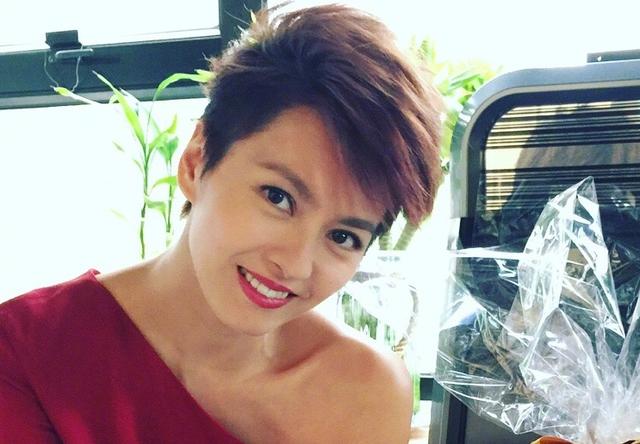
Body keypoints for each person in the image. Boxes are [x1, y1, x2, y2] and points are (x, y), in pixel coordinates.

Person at [0, 4, 442, 443]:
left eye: (343, 236)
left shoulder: (365, 393)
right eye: (278, 197)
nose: (295, 265)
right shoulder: (28, 353)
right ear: (196, 161)